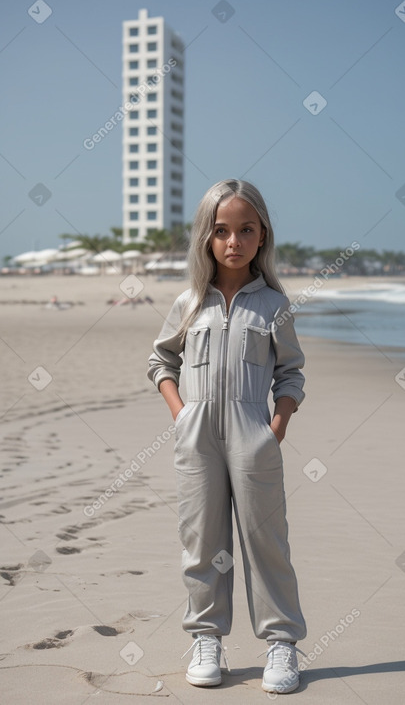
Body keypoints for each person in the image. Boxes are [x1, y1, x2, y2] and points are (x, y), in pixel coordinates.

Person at [147, 179, 307, 694]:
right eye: (221, 231)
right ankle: (206, 637)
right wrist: (181, 413)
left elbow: (291, 374)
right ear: (206, 238)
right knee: (202, 542)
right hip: (197, 440)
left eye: (245, 230)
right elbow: (160, 360)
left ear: (263, 236)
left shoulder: (274, 305)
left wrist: (274, 429)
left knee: (266, 542)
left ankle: (281, 643)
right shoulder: (190, 302)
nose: (233, 241)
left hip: (253, 438)